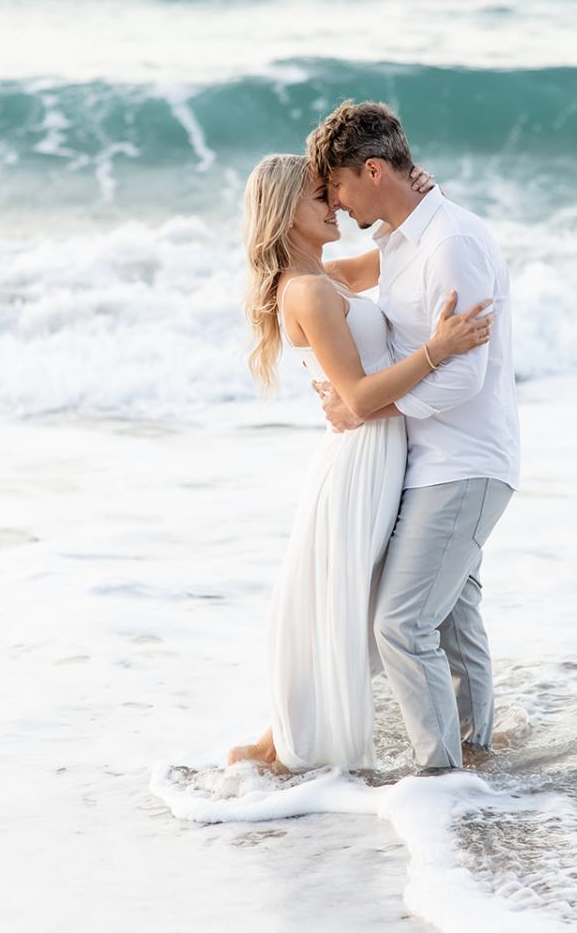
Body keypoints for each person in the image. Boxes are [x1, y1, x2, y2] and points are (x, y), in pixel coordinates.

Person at [228, 153, 494, 773]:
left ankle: (275, 748)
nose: (335, 206)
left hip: (382, 454)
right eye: (320, 197)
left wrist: (423, 196)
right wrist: (438, 349)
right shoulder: (312, 292)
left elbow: (402, 249)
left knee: (360, 606)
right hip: (360, 465)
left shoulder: (329, 276)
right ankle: (274, 750)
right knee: (361, 607)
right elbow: (358, 398)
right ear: (285, 212)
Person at [307, 101, 520, 775]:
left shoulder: (449, 242)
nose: (336, 205)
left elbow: (463, 377)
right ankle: (472, 760)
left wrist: (369, 409)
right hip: (432, 460)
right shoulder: (403, 238)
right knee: (451, 620)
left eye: (338, 186)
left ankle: (438, 776)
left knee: (400, 623)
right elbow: (327, 283)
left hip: (462, 461)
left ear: (373, 170)